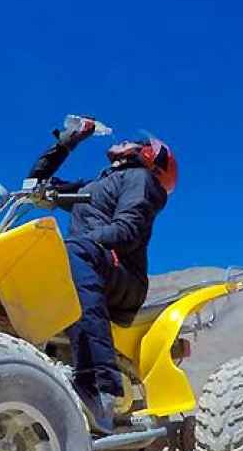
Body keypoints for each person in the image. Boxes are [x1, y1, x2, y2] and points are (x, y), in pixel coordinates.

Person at [25, 118, 179, 432]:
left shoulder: (140, 179)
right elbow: (34, 187)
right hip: (87, 264)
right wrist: (67, 142)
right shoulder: (92, 186)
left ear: (149, 156)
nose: (126, 140)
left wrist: (83, 242)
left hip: (123, 276)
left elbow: (129, 229)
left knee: (71, 250)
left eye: (138, 141)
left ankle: (100, 385)